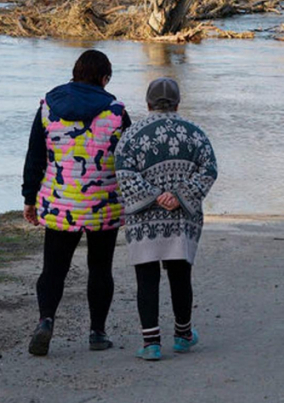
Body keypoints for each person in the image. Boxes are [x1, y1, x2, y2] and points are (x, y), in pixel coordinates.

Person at [21, 49, 130, 356]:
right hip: (103, 204)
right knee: (100, 268)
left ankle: (45, 321)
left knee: (53, 269)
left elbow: (35, 158)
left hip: (60, 205)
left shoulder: (48, 107)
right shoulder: (117, 112)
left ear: (75, 73)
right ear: (104, 78)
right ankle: (97, 332)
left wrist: (29, 198)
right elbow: (129, 161)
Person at [115, 77, 218, 361]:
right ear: (177, 103)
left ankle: (151, 344)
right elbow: (209, 169)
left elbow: (124, 173)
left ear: (148, 104)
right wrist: (180, 195)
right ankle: (183, 335)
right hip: (182, 219)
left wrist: (155, 196)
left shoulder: (132, 135)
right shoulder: (195, 133)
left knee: (146, 279)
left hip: (144, 221)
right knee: (180, 276)